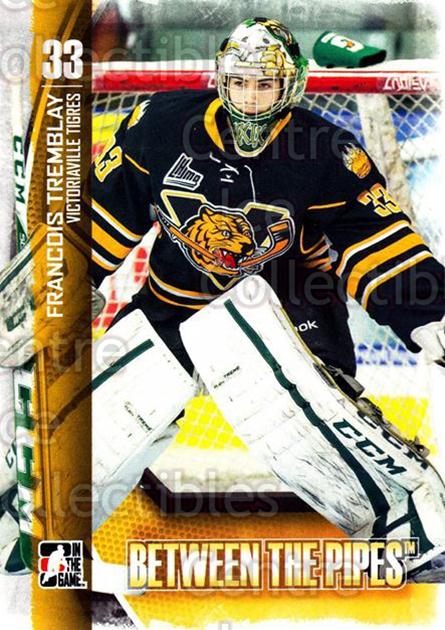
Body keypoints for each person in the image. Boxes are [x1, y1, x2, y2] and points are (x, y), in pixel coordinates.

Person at [84, 17, 445, 580]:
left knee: (288, 407)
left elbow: (375, 242)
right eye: (240, 83)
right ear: (221, 80)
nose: (251, 99)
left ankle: (409, 523)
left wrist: (429, 312)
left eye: (265, 84)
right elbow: (101, 215)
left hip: (287, 306)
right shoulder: (162, 123)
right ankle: (38, 524)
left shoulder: (325, 151)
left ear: (291, 86)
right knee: (110, 414)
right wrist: (67, 283)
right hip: (175, 301)